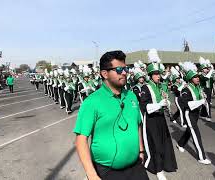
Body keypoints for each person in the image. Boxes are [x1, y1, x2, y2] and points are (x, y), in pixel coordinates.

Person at [73, 50, 149, 180]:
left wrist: (141, 150)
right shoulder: (92, 102)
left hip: (136, 166)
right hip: (107, 172)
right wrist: (91, 174)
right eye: (119, 70)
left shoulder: (131, 96)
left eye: (126, 69)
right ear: (104, 74)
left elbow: (137, 124)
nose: (124, 73)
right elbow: (81, 140)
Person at [139, 49, 177, 180]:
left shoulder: (160, 86)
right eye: (155, 74)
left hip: (160, 118)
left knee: (164, 142)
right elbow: (144, 106)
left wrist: (166, 103)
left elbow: (162, 102)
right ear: (150, 75)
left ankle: (166, 165)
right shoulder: (145, 87)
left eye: (159, 74)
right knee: (155, 144)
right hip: (151, 119)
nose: (158, 76)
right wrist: (160, 104)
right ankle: (158, 169)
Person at [175, 61, 211, 165]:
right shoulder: (186, 89)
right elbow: (187, 104)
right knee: (196, 134)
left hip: (196, 113)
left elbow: (200, 99)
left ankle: (180, 144)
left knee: (189, 131)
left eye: (198, 76)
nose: (198, 78)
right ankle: (201, 157)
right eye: (195, 77)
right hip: (189, 114)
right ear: (191, 78)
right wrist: (201, 101)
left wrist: (203, 98)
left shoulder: (198, 87)